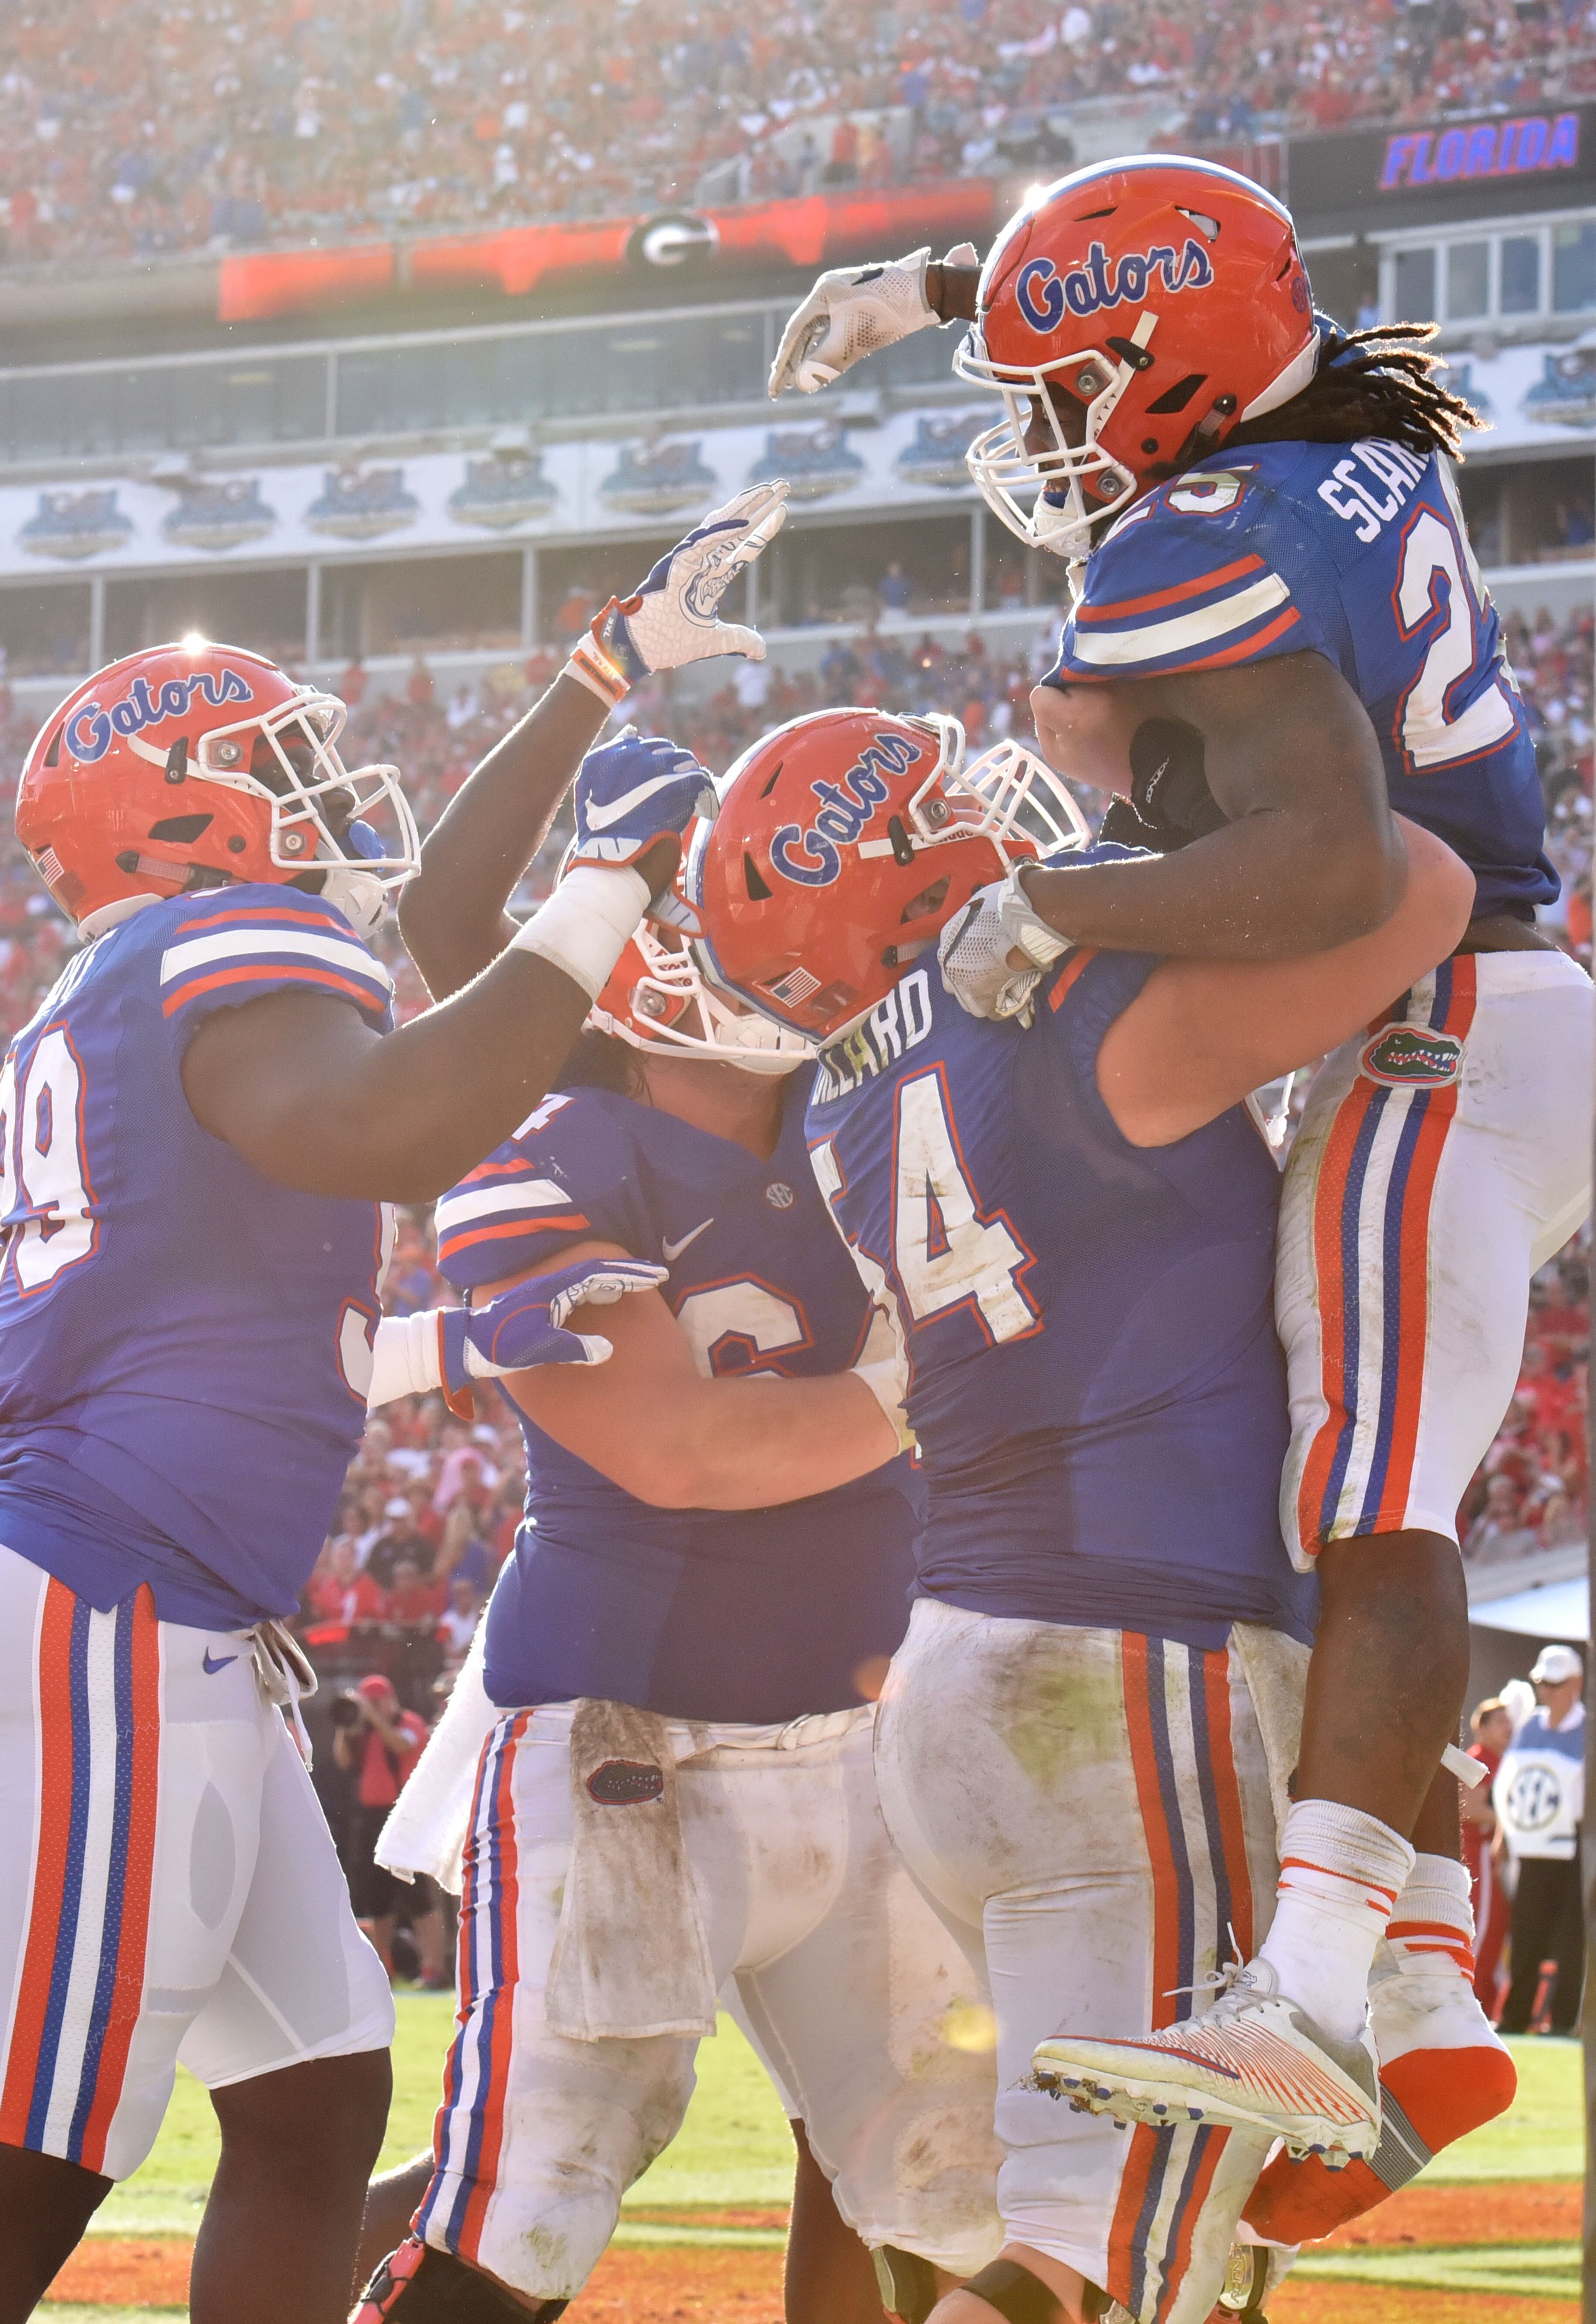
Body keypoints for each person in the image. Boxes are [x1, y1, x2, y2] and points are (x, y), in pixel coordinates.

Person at [766, 156, 1591, 2229]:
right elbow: (1183, 275)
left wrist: (1053, 890)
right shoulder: (1324, 453)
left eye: (1064, 387)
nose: (1044, 433)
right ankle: (1414, 1986)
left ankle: (1310, 1989)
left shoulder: (1207, 520)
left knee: (1364, 1494)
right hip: (1470, 1004)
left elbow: (1324, 869)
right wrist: (949, 281)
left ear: (1168, 375)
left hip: (1444, 1007)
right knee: (1323, 1473)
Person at [0, 485, 788, 2324]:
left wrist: (589, 682)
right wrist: (605, 878)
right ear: (186, 812)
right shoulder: (227, 942)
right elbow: (391, 1115)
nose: (325, 788)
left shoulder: (152, 970)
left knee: (318, 2104)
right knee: (28, 2157)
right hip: (108, 1596)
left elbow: (429, 1010)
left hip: (173, 1608)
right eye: (276, 760)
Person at [689, 702, 1473, 2324]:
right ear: (911, 871)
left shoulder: (843, 1105)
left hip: (973, 1681)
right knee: (1105, 2269)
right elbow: (1420, 888)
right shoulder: (1069, 1005)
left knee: (1127, 2232)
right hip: (1129, 1678)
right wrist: (1099, 904)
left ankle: (1419, 2018)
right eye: (951, 808)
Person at [347, 848, 1002, 2324]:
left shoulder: (881, 1123)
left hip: (867, 1737)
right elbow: (680, 1450)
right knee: (525, 2210)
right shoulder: (548, 1144)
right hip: (629, 1741)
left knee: (967, 2193)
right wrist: (929, 1378)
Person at [1494, 1644, 1586, 2036]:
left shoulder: (1589, 1729)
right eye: (1543, 1683)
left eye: (1556, 1683)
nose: (1548, 1691)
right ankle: (1516, 2018)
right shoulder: (1529, 1726)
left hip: (1575, 1849)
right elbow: (1511, 1784)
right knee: (1527, 1936)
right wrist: (1502, 1833)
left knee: (1572, 1939)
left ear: (1577, 1684)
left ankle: (1565, 2021)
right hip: (1531, 1847)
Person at [333, 1675, 446, 1988]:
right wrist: (347, 1725)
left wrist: (375, 1719)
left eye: (377, 1701)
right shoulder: (363, 1732)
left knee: (419, 1897)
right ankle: (383, 1969)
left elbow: (402, 1744)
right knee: (377, 1899)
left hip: (406, 1815)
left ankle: (433, 1968)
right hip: (370, 1820)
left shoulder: (409, 1722)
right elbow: (343, 1760)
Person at [1461, 1699, 1513, 2020]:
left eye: (1510, 1720)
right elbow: (1468, 1808)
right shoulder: (1480, 1759)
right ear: (1483, 1727)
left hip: (1494, 1855)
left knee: (1496, 1931)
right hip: (1479, 1852)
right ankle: (1471, 2001)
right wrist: (1511, 1821)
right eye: (1501, 1721)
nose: (1509, 1727)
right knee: (1482, 1927)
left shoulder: (1505, 1759)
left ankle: (1488, 2005)